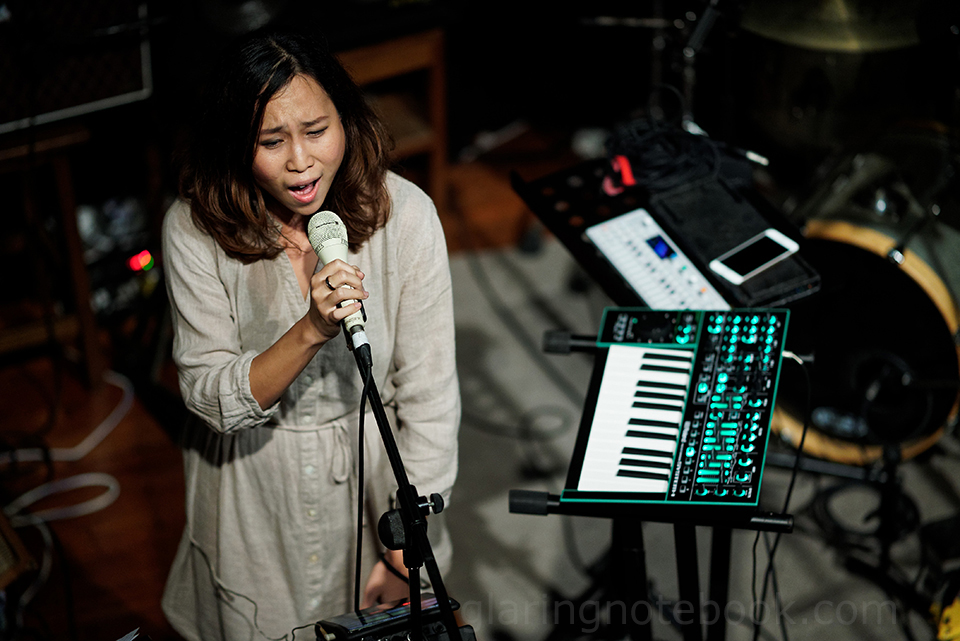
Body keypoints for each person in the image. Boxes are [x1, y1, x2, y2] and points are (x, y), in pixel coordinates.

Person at [160, 27, 460, 641]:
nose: (300, 161)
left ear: (346, 120)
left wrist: (402, 553)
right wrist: (311, 329)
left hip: (376, 485)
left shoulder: (407, 215)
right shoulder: (191, 230)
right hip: (256, 492)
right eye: (271, 142)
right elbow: (212, 400)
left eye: (317, 131)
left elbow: (430, 394)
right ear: (235, 143)